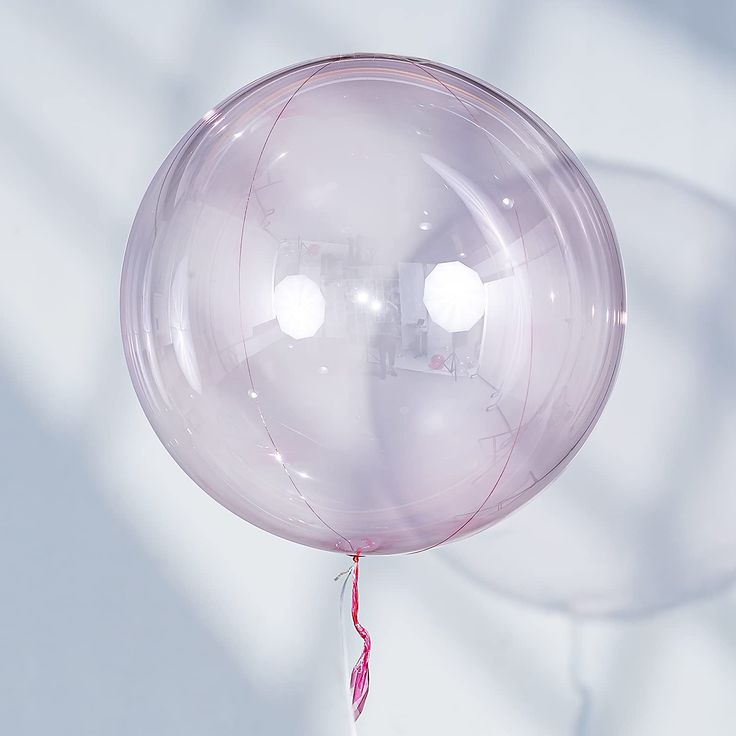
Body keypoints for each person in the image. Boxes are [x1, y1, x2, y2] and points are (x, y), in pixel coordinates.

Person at [376, 293, 401, 379]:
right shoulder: (378, 309)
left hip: (391, 335)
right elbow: (376, 321)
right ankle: (383, 371)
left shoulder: (393, 307)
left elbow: (397, 319)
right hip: (382, 335)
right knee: (382, 354)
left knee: (392, 353)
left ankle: (391, 368)